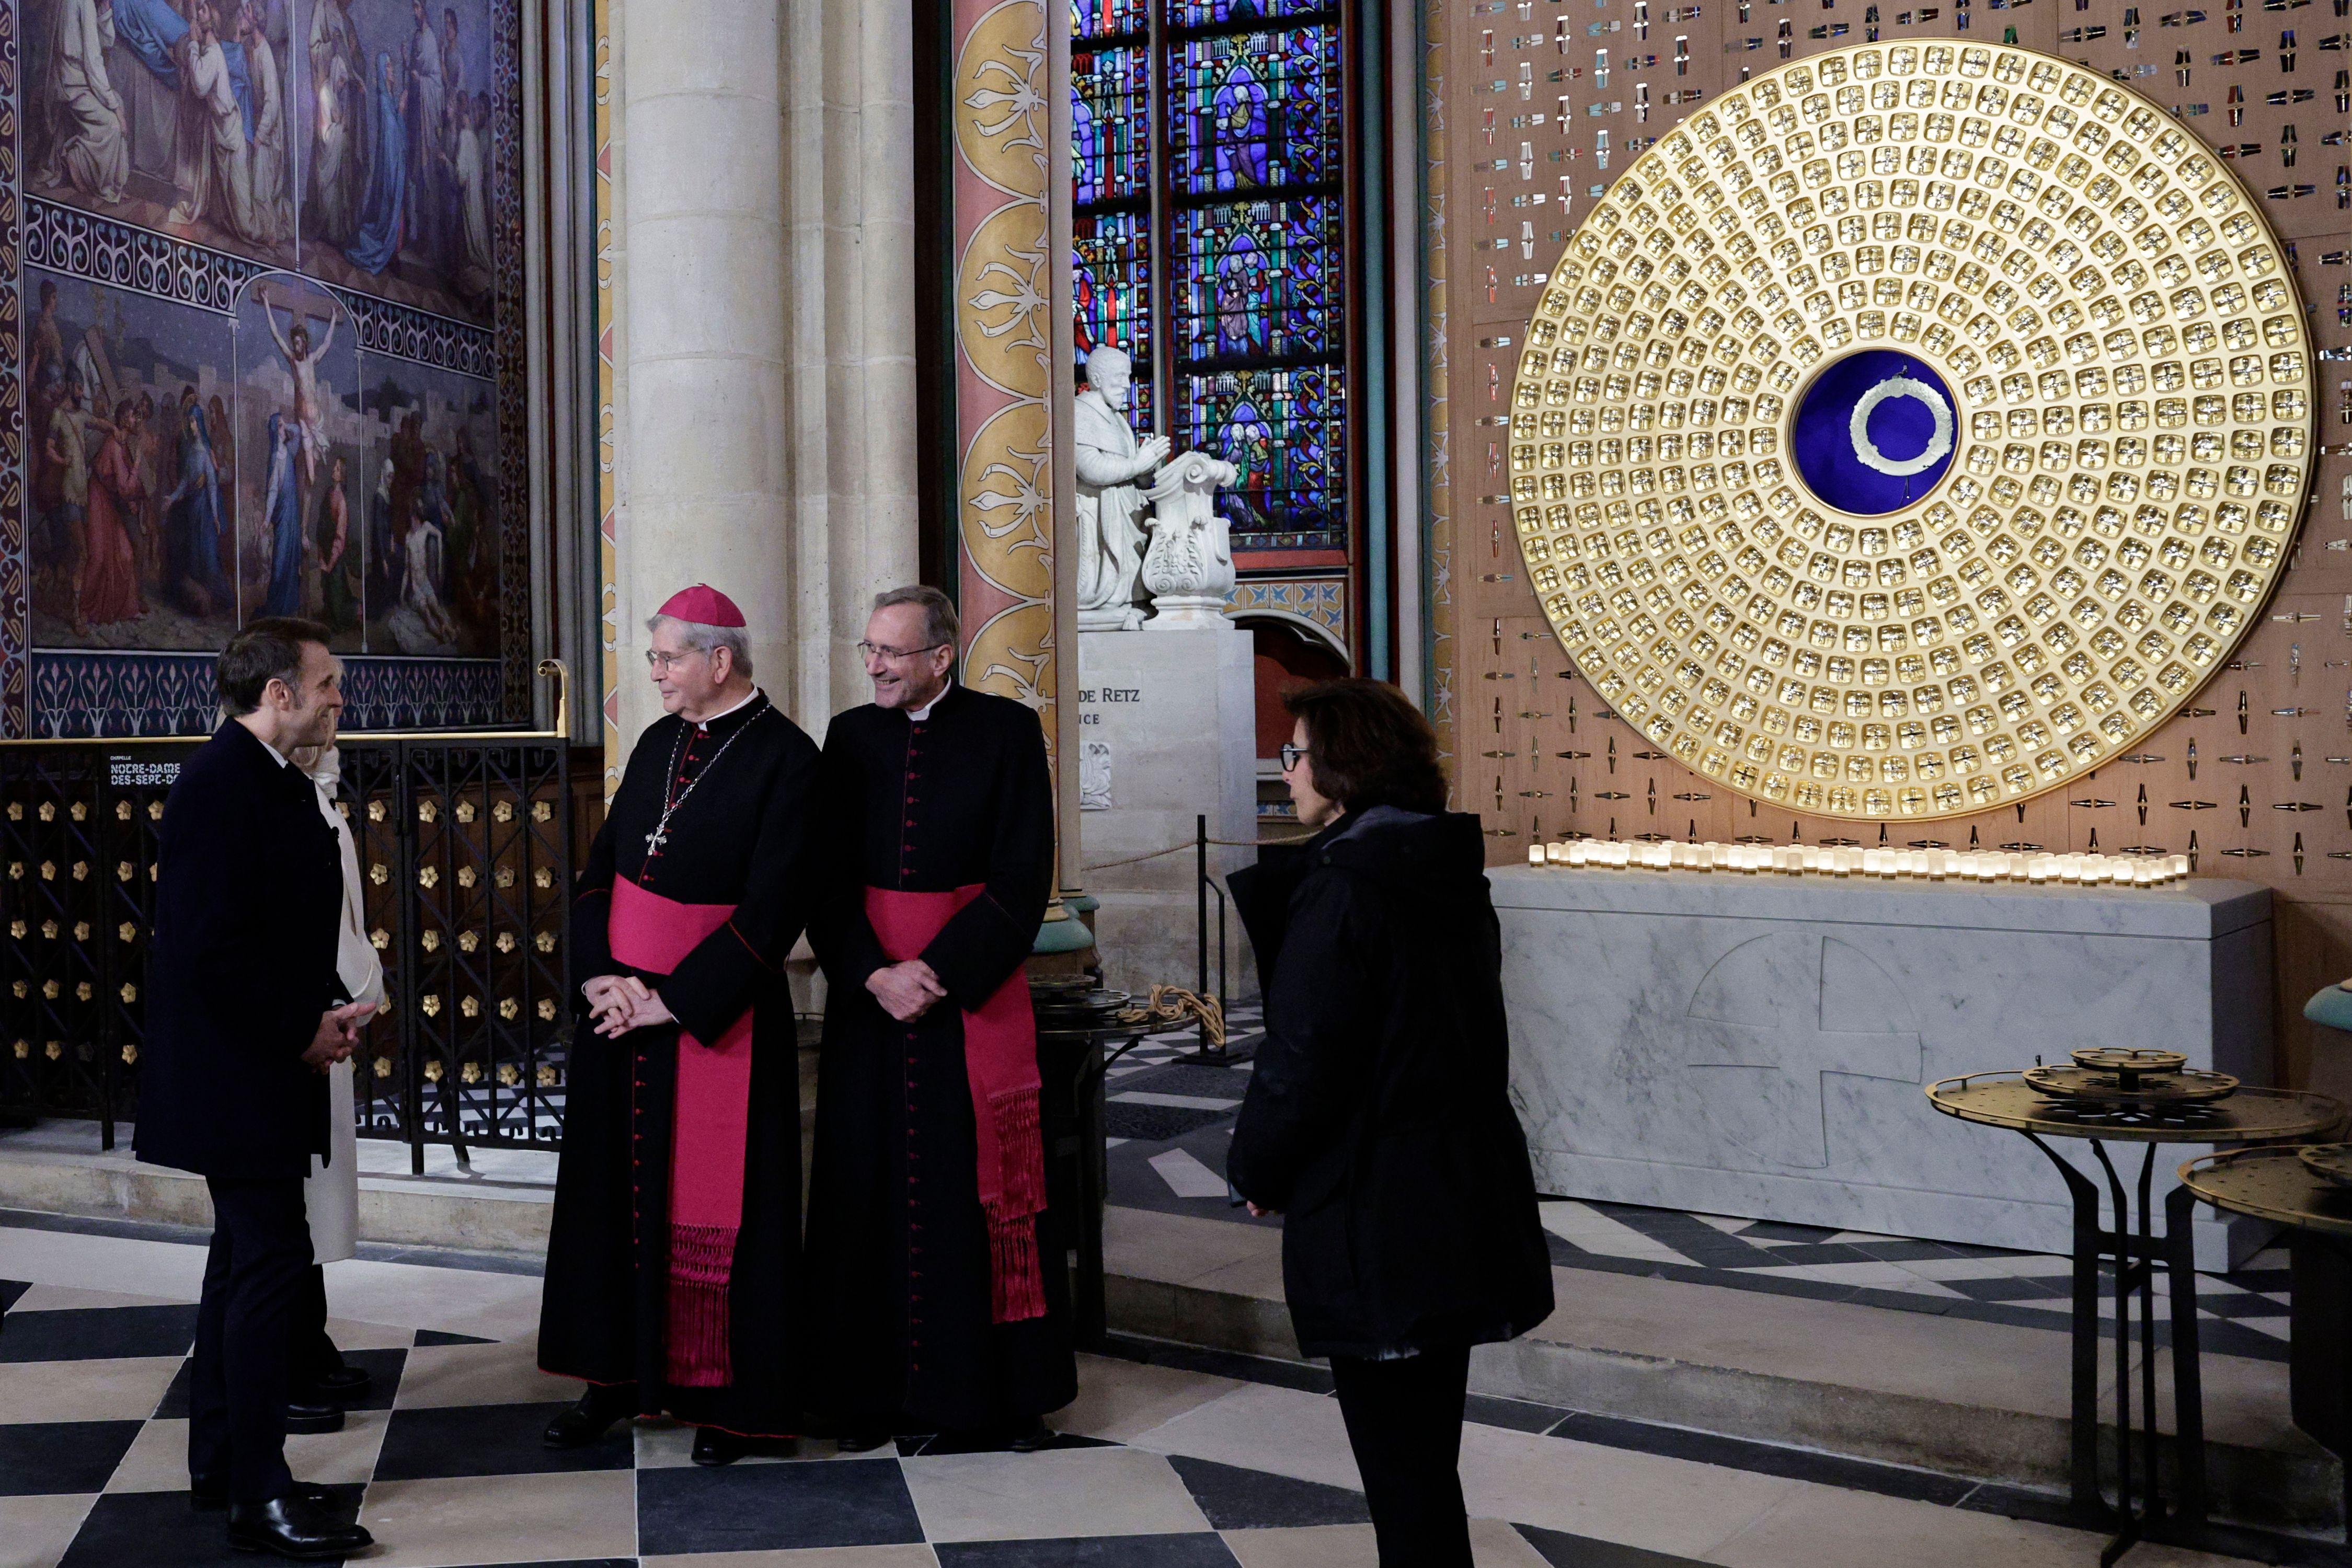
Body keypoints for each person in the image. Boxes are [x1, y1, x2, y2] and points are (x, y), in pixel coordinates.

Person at [1226, 679, 1555, 1568]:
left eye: (1294, 755)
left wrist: (1256, 1170)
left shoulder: (1345, 888)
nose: (1284, 773)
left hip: (1375, 1201)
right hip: (1455, 1188)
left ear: (1342, 768)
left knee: (1399, 1469)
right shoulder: (1442, 869)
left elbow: (1302, 1060)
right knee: (1422, 1461)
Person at [538, 585, 821, 1467]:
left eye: (666, 657)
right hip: (619, 1017)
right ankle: (611, 1377)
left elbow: (776, 908)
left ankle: (728, 1405)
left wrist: (675, 999)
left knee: (723, 1210)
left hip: (712, 1022)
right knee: (609, 1203)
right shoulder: (658, 742)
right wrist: (600, 979)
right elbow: (598, 875)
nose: (654, 671)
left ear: (718, 661)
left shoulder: (787, 759)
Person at [804, 585, 1074, 1449]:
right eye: (869, 650)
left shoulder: (1003, 733)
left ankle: (988, 1396)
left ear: (939, 657)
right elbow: (823, 877)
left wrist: (938, 970)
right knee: (864, 1192)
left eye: (892, 652)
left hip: (969, 1001)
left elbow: (1021, 876)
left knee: (980, 1196)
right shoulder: (848, 738)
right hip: (872, 1006)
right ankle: (865, 1393)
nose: (876, 665)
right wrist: (873, 974)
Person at [133, 619, 377, 1561]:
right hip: (238, 1078)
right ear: (278, 693)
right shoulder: (217, 786)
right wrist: (300, 1028)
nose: (335, 701)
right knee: (268, 1273)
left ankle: (228, 1471)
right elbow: (206, 953)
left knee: (241, 1266)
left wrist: (320, 1008)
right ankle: (256, 1495)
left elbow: (267, 932)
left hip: (262, 1068)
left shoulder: (265, 780)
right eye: (326, 686)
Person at [287, 727, 382, 1414]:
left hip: (329, 1014)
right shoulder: (270, 801)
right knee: (283, 1208)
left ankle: (306, 1340)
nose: (337, 709)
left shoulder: (320, 800)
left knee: (314, 1199)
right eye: (326, 688)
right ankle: (286, 1359)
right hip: (297, 1027)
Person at [37, 0, 129, 202]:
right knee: (113, 124)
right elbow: (93, 61)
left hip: (75, 78)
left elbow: (104, 43)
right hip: (74, 83)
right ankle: (79, 163)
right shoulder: (84, 2)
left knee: (119, 103)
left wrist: (105, 14)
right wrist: (115, 110)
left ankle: (113, 182)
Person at [79, 397, 145, 627]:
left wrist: (129, 501)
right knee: (98, 557)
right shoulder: (115, 446)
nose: (136, 420)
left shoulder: (124, 445)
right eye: (132, 416)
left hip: (111, 500)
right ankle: (84, 611)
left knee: (126, 554)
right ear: (122, 421)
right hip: (98, 498)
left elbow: (127, 488)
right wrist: (137, 464)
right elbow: (126, 487)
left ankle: (127, 608)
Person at [260, 411, 305, 616]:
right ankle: (275, 608)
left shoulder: (290, 450)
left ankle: (287, 609)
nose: (284, 426)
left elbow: (298, 431)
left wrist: (285, 426)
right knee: (279, 564)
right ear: (273, 431)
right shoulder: (273, 458)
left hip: (292, 513)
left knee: (291, 560)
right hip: (282, 515)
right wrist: (267, 519)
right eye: (278, 425)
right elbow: (272, 491)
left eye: (283, 423)